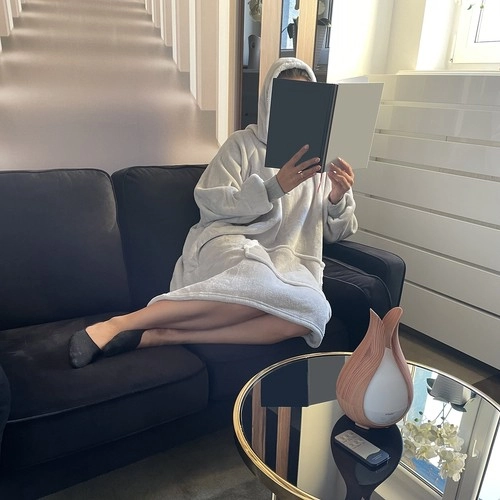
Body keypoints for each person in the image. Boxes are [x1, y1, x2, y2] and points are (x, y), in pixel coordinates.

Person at [69, 57, 357, 369]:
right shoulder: (242, 144)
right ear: (270, 101)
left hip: (288, 261)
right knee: (260, 278)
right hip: (232, 242)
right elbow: (211, 201)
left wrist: (336, 197)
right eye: (288, 99)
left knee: (314, 311)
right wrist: (274, 187)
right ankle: (119, 324)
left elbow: (334, 233)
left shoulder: (321, 165)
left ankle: (162, 336)